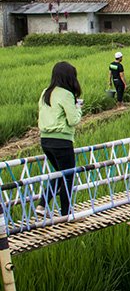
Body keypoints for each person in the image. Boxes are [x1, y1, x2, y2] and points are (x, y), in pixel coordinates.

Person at [37, 62, 82, 217]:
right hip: (62, 141)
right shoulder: (66, 94)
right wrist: (79, 108)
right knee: (68, 177)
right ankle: (66, 214)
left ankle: (42, 205)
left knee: (59, 173)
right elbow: (73, 120)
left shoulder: (45, 92)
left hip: (45, 141)